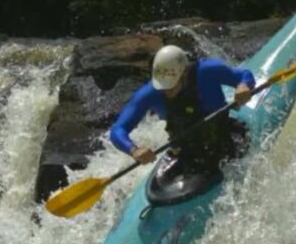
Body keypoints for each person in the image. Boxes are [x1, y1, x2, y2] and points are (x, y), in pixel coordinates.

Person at [109, 45, 255, 176]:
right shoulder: (149, 94)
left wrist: (243, 86)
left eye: (171, 85)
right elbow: (117, 130)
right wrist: (134, 150)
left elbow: (244, 75)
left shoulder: (208, 71)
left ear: (184, 73)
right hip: (186, 149)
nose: (166, 91)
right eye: (162, 86)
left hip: (224, 135)